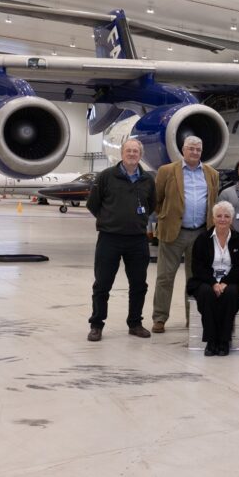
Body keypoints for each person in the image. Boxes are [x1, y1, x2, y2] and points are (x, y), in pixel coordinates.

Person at [86, 138, 156, 342]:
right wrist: (110, 220)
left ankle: (135, 323)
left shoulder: (147, 180)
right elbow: (93, 204)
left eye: (136, 151)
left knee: (138, 284)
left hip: (137, 240)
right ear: (122, 153)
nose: (132, 154)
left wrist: (135, 221)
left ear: (140, 155)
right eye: (129, 151)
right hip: (110, 238)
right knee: (102, 284)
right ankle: (96, 325)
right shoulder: (106, 176)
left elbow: (151, 205)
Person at [152, 136, 220, 333]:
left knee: (195, 279)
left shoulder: (212, 173)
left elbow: (212, 201)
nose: (195, 153)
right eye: (191, 149)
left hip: (200, 233)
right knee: (165, 276)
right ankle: (160, 318)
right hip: (174, 231)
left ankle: (193, 318)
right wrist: (166, 216)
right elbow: (157, 199)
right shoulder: (167, 171)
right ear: (183, 150)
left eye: (198, 150)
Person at [186, 201, 239, 356]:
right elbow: (198, 267)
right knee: (206, 294)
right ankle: (211, 340)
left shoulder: (238, 240)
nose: (222, 219)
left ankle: (224, 340)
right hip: (206, 280)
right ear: (213, 219)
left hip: (231, 281)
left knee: (231, 294)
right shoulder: (202, 239)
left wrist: (225, 283)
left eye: (226, 216)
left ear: (232, 219)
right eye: (219, 216)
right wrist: (214, 283)